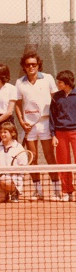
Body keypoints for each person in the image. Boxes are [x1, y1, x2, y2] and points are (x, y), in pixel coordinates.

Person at [14, 51, 60, 201]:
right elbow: (17, 104)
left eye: (34, 64)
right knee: (32, 158)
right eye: (28, 65)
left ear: (38, 65)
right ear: (24, 67)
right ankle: (37, 191)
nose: (31, 67)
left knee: (49, 156)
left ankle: (56, 190)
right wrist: (22, 122)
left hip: (46, 123)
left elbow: (56, 99)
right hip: (29, 126)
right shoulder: (19, 82)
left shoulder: (47, 78)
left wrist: (55, 121)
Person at [50, 70, 76, 202]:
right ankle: (67, 191)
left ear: (66, 83)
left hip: (75, 132)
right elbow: (52, 117)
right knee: (63, 163)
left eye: (59, 82)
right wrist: (53, 134)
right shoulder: (56, 97)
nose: (57, 84)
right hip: (60, 133)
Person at [0, 122, 27, 203]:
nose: (2, 134)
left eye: (5, 132)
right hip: (0, 179)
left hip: (14, 179)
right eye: (1, 132)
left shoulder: (19, 148)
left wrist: (13, 172)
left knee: (4, 179)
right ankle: (6, 194)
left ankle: (14, 192)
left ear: (12, 133)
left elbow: (23, 167)